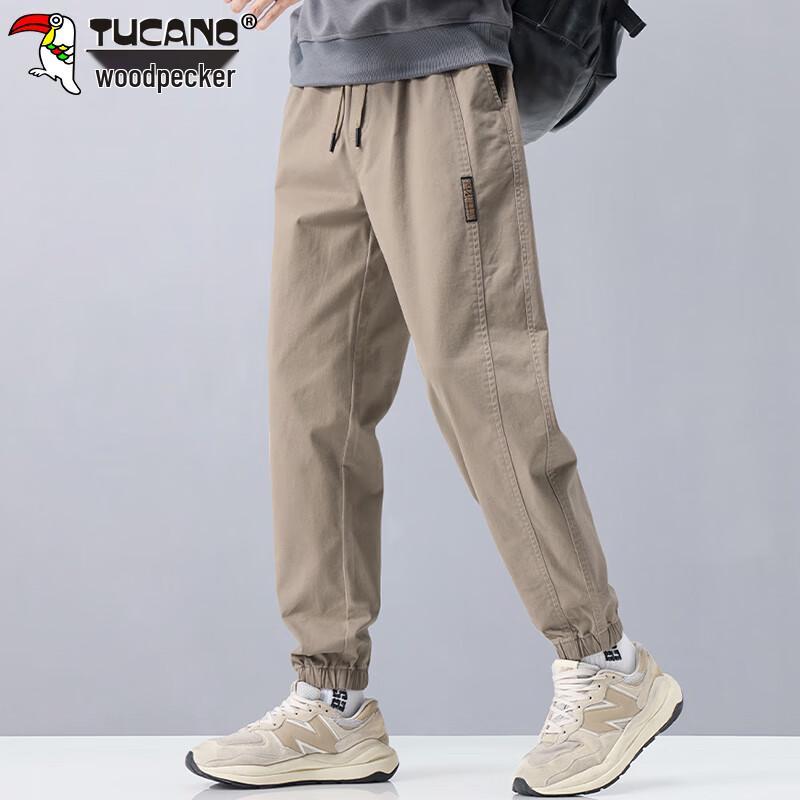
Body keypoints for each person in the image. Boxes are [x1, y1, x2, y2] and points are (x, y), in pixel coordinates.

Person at [186, 0, 683, 794]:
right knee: (311, 403)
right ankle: (332, 700)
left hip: (438, 67)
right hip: (323, 80)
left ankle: (605, 666)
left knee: (482, 382)